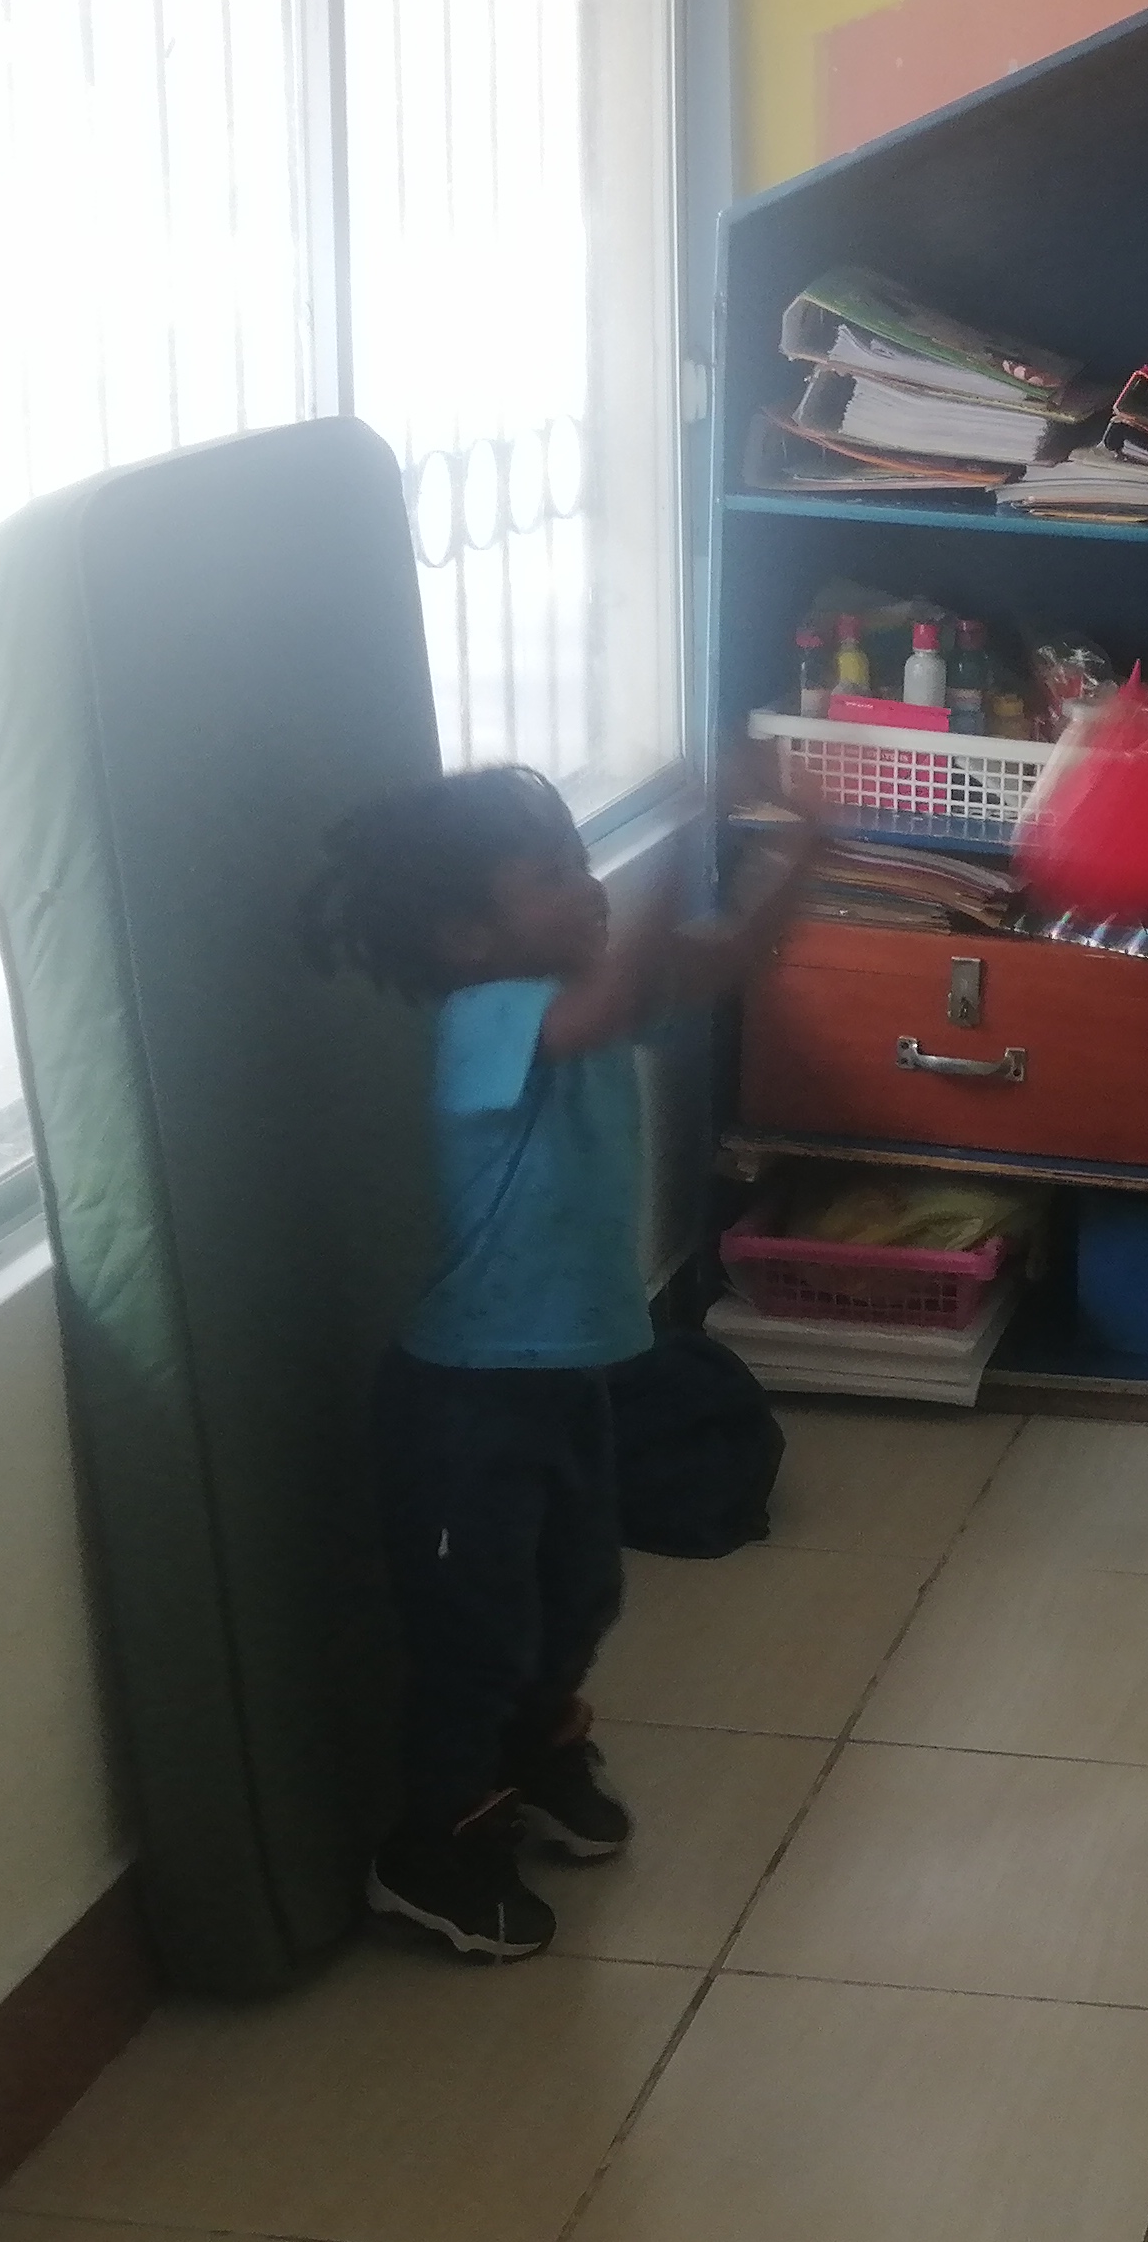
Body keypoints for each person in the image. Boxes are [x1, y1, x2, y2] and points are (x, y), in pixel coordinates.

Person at [299, 769, 804, 1961]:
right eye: (552, 876)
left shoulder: (581, 998)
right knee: (472, 1635)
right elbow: (618, 989)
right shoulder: (488, 1018)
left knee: (579, 1593)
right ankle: (434, 1846)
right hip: (464, 1399)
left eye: (584, 864)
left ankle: (533, 1757)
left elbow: (728, 960)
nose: (586, 889)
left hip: (570, 1373)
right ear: (466, 937)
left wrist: (805, 850)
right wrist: (684, 831)